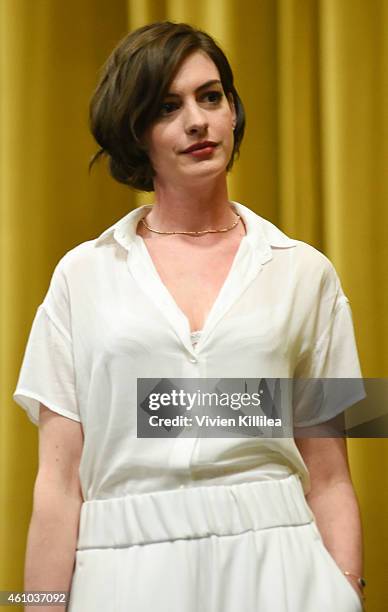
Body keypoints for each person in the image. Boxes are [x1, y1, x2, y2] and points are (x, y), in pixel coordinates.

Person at [13, 21, 367, 612]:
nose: (198, 121)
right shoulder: (81, 276)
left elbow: (330, 476)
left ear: (233, 111)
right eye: (167, 106)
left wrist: (347, 589)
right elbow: (56, 486)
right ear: (135, 134)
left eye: (211, 96)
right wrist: (36, 605)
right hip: (122, 570)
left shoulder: (306, 273)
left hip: (281, 562)